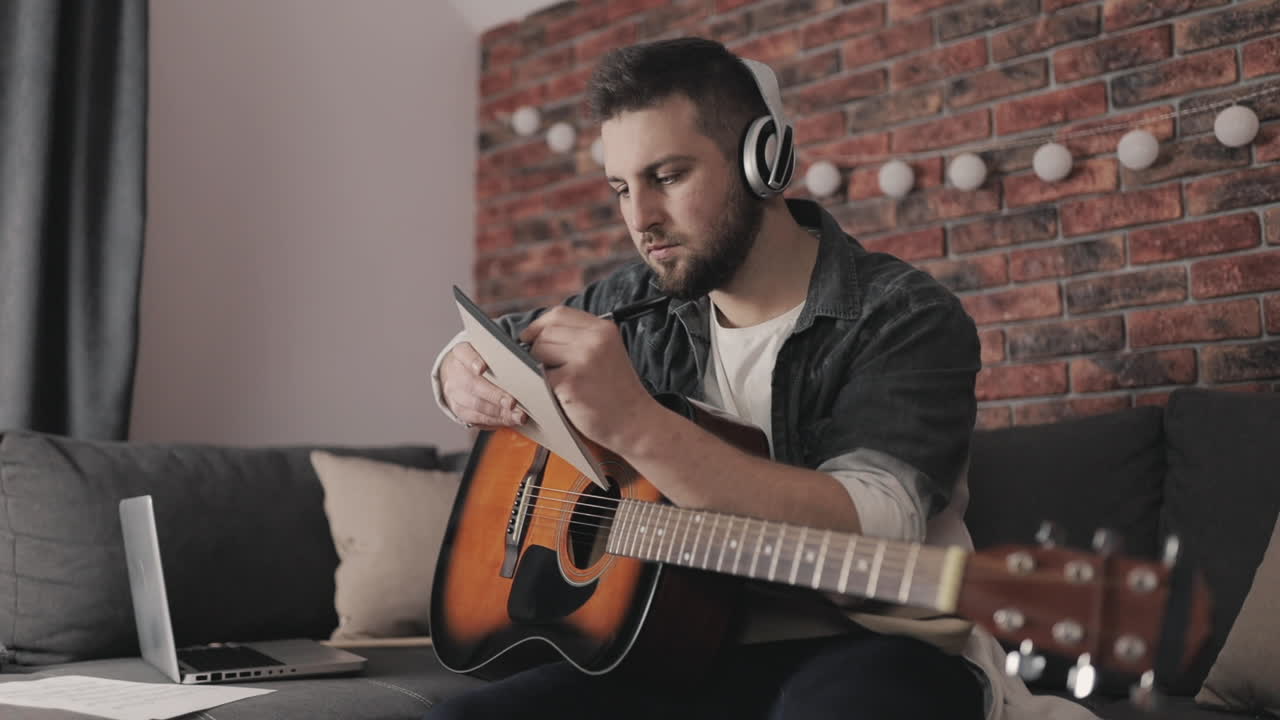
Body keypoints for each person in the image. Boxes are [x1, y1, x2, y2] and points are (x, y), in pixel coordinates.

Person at [430, 37, 1097, 720]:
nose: (639, 219)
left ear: (764, 161)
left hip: (870, 647)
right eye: (622, 188)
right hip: (667, 651)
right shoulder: (636, 302)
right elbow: (495, 338)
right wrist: (456, 371)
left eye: (667, 176)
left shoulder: (905, 315)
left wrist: (634, 423)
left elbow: (874, 528)